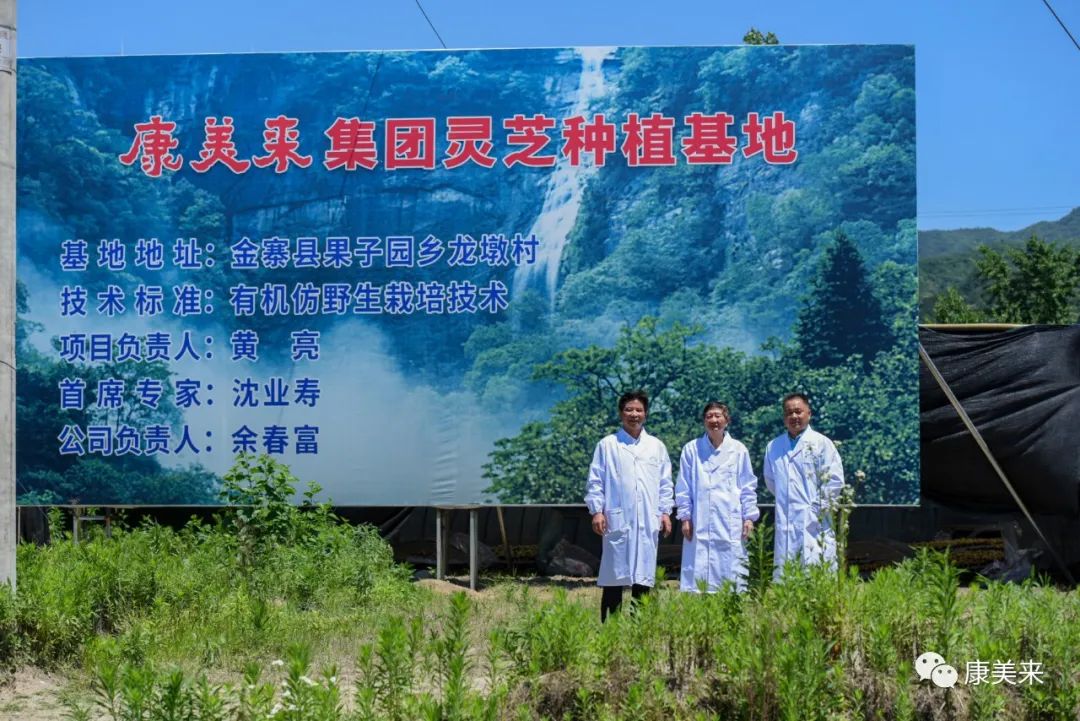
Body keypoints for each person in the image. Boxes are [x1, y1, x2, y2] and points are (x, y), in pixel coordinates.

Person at [584, 390, 673, 621]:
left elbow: (665, 482)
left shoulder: (656, 446)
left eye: (639, 410)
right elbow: (596, 480)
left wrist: (665, 512)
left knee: (643, 577)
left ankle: (639, 629)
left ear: (646, 413)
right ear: (621, 413)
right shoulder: (607, 445)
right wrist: (597, 511)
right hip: (617, 519)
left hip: (647, 519)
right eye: (629, 410)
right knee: (614, 577)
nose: (634, 414)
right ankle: (610, 629)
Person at [674, 402, 759, 592]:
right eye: (709, 416)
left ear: (726, 420)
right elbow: (683, 486)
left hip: (730, 520)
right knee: (699, 574)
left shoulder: (738, 449)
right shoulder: (691, 449)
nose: (714, 420)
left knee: (730, 574)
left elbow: (748, 486)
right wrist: (685, 517)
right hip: (699, 519)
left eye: (718, 416)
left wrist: (749, 517)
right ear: (704, 421)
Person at [763, 393, 844, 577]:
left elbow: (834, 480)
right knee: (787, 574)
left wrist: (815, 509)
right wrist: (788, 501)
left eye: (798, 411)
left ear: (809, 413)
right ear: (784, 418)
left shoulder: (822, 443)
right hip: (786, 517)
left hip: (815, 519)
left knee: (816, 570)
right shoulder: (773, 446)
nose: (794, 416)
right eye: (789, 413)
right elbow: (771, 481)